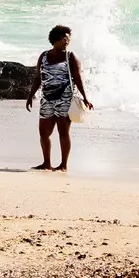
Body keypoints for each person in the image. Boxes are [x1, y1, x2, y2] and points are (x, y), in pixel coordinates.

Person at [24, 25, 92, 171]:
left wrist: (85, 98)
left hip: (64, 99)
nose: (68, 40)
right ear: (58, 38)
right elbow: (38, 78)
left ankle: (63, 165)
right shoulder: (43, 56)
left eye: (68, 37)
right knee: (44, 133)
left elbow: (78, 78)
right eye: (66, 37)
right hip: (47, 98)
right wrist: (30, 95)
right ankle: (46, 163)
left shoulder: (70, 57)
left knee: (63, 131)